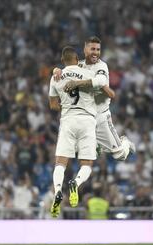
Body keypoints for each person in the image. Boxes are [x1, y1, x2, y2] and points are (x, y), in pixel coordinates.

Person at [48, 46, 114, 217]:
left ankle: (57, 192)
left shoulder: (56, 76)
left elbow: (53, 105)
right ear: (77, 59)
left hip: (68, 120)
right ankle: (75, 184)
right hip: (87, 121)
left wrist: (66, 103)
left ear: (63, 60)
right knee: (87, 164)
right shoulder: (89, 74)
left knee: (60, 163)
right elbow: (107, 91)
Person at [54, 36, 136, 161]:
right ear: (85, 49)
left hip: (101, 117)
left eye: (98, 50)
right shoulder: (79, 65)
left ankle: (124, 142)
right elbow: (65, 71)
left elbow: (101, 81)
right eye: (93, 49)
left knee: (120, 155)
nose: (96, 52)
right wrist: (57, 70)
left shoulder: (101, 66)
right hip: (85, 116)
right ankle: (96, 146)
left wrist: (77, 83)